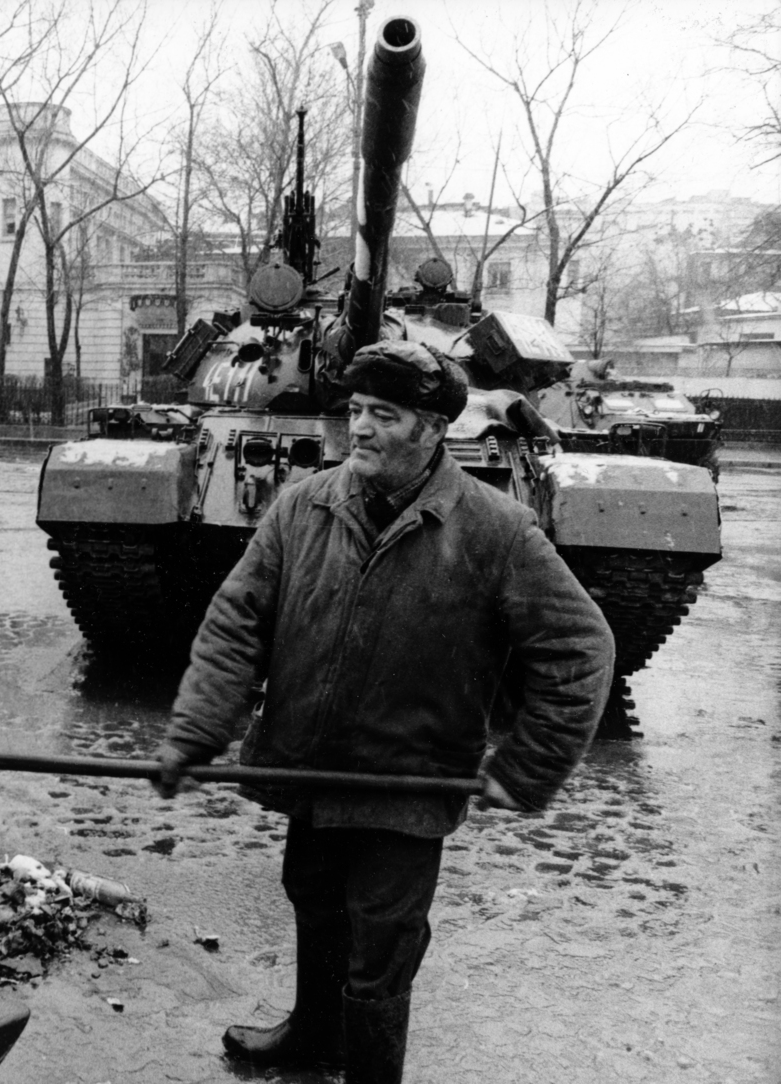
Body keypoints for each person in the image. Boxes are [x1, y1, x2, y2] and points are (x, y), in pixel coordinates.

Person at [153, 341, 614, 1084]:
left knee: (382, 940)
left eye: (384, 415)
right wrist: (198, 729)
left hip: (408, 783)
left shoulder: (496, 529)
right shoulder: (304, 503)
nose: (360, 428)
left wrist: (528, 767)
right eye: (357, 410)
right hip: (312, 763)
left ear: (432, 429)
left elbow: (581, 647)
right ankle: (315, 1037)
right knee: (314, 898)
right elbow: (237, 622)